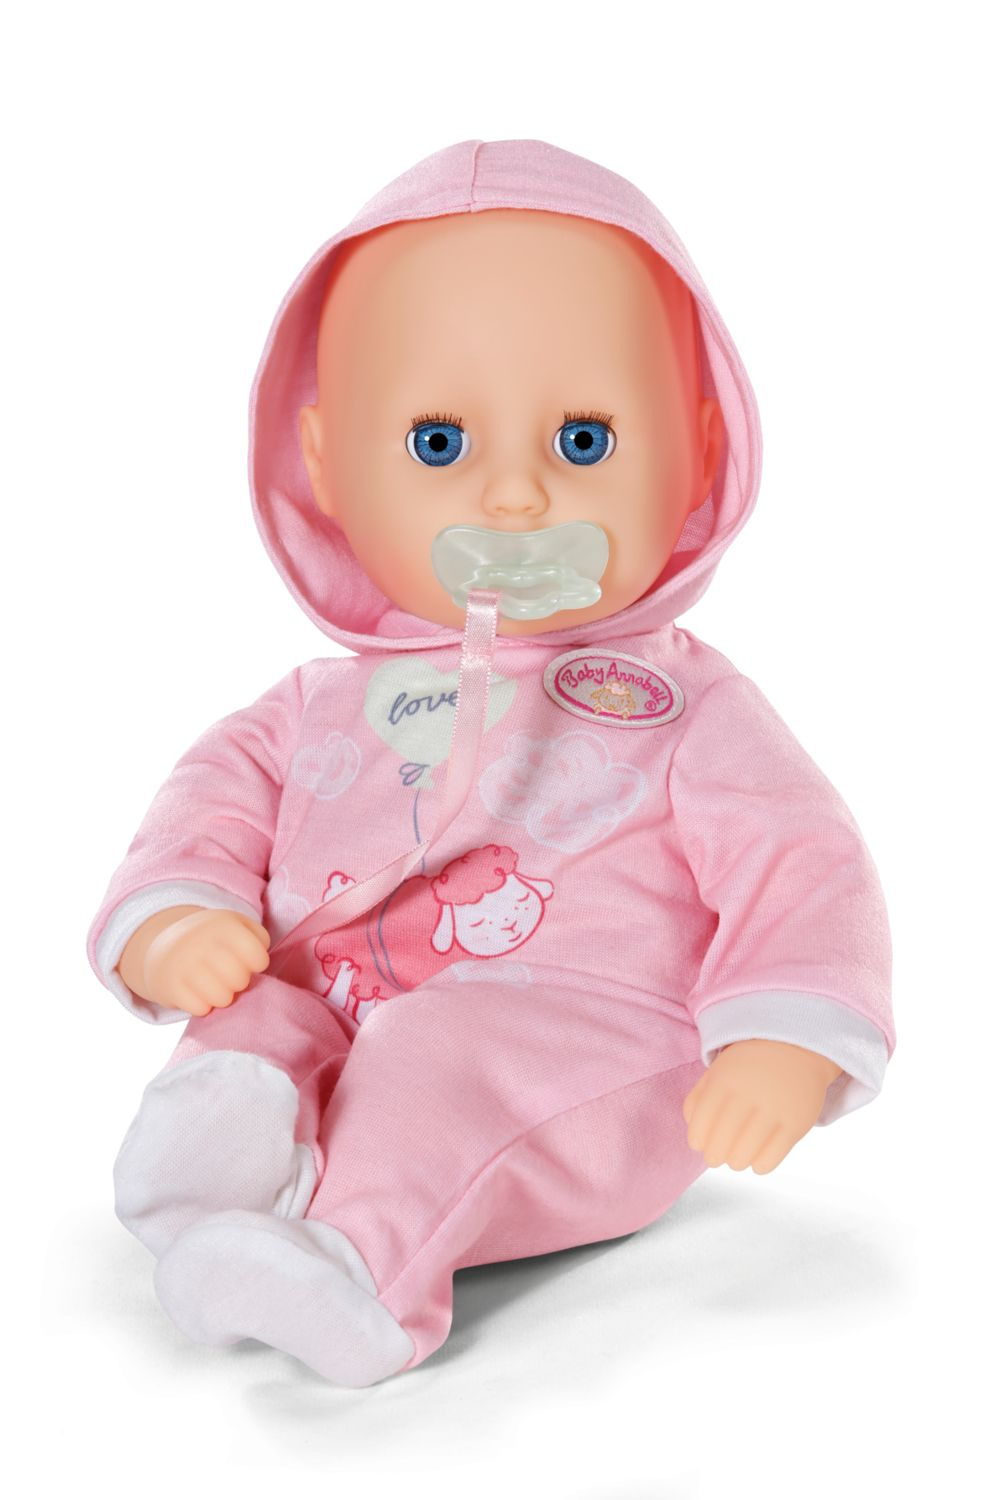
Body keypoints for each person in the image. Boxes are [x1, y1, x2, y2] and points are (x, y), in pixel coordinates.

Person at [86, 138, 894, 1386]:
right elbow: (205, 810)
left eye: (582, 440)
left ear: (695, 453)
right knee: (257, 1016)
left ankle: (360, 1272)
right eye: (436, 443)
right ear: (323, 464)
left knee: (438, 1052)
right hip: (354, 1008)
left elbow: (800, 858)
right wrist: (176, 918)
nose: (513, 496)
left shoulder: (688, 705)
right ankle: (228, 1174)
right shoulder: (314, 705)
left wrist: (783, 1037)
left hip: (594, 1057)